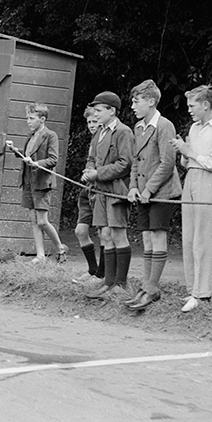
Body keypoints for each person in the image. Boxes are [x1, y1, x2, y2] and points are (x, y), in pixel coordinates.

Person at [171, 85, 212, 313]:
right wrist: (184, 153)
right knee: (189, 236)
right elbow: (189, 161)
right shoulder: (195, 128)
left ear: (205, 105)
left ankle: (204, 292)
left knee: (205, 237)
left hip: (210, 181)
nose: (189, 110)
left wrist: (188, 152)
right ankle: (193, 289)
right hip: (192, 179)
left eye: (192, 105)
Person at [125, 80, 183, 310]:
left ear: (151, 101)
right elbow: (135, 163)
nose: (132, 105)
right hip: (143, 193)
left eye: (136, 101)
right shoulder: (138, 128)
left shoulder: (165, 126)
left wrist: (149, 189)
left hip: (161, 193)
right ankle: (146, 285)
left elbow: (167, 163)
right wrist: (133, 187)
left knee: (158, 236)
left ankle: (152, 289)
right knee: (146, 238)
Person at [82, 91, 134, 301]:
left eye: (99, 110)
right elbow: (92, 157)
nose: (96, 114)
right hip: (100, 192)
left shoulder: (123, 132)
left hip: (116, 191)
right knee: (105, 235)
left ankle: (120, 283)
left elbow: (125, 163)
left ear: (112, 111)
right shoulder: (99, 133)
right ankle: (108, 282)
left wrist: (99, 173)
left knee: (118, 234)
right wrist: (89, 170)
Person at [16, 102, 68, 263]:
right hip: (28, 181)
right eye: (27, 118)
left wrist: (37, 164)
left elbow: (53, 159)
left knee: (42, 221)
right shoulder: (30, 136)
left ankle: (60, 248)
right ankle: (40, 255)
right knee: (33, 220)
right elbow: (28, 155)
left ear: (42, 119)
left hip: (42, 182)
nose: (28, 121)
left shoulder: (50, 135)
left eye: (31, 118)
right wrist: (16, 151)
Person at [72, 108, 103, 284]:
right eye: (89, 122)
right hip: (87, 190)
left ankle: (102, 274)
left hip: (101, 190)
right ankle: (92, 269)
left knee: (103, 233)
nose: (92, 125)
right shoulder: (93, 140)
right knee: (80, 231)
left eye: (94, 122)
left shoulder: (109, 138)